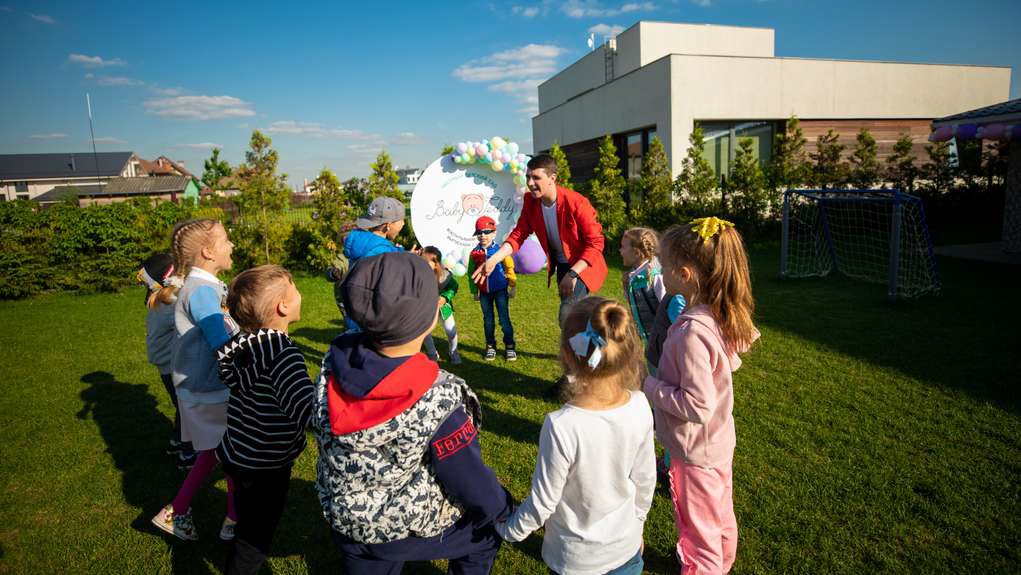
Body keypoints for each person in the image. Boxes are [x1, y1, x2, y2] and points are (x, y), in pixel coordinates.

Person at [313, 252, 515, 575]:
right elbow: (468, 479)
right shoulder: (438, 398)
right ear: (431, 316)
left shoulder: (333, 363)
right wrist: (501, 507)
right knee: (485, 535)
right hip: (402, 527)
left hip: (347, 517)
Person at [496, 296, 655, 575]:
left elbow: (542, 502)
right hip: (626, 550)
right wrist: (637, 524)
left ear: (568, 355)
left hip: (576, 560)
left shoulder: (562, 426)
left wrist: (508, 530)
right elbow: (645, 480)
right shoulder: (641, 405)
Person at [643, 217, 759, 575]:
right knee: (719, 514)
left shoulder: (692, 332)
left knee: (698, 529)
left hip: (695, 451)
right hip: (717, 444)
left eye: (664, 266)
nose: (659, 272)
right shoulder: (716, 315)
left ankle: (705, 567)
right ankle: (721, 562)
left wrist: (646, 384)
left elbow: (697, 405)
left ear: (684, 275)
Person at [217, 265, 315, 574]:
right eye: (295, 288)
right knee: (254, 541)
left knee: (247, 521)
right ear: (282, 306)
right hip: (267, 464)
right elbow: (307, 411)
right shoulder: (283, 355)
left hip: (239, 453)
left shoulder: (244, 345)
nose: (300, 294)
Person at [151, 218, 238, 542]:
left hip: (203, 387)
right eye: (226, 240)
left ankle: (184, 511)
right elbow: (220, 340)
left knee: (216, 451)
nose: (232, 245)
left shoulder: (203, 286)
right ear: (208, 251)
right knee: (230, 452)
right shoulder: (201, 291)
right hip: (209, 388)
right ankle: (229, 519)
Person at [471, 153, 606, 327]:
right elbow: (518, 234)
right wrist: (494, 259)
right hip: (562, 266)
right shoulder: (531, 201)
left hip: (582, 264)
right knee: (575, 317)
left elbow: (596, 243)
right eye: (528, 177)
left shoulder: (577, 203)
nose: (530, 183)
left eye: (536, 177)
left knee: (568, 316)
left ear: (552, 178)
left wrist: (573, 273)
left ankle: (591, 339)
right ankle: (590, 337)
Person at [137, 252, 196, 469]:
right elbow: (194, 323)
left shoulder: (159, 300)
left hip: (167, 365)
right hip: (174, 365)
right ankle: (189, 453)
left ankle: (177, 441)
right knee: (188, 408)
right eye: (180, 272)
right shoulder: (171, 305)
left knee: (181, 405)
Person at [342, 196, 406, 331]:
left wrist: (401, 252)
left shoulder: (359, 241)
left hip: (355, 310)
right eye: (401, 220)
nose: (403, 224)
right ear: (388, 225)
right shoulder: (383, 251)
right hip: (373, 318)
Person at [466, 216, 517, 362]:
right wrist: (474, 291)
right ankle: (490, 346)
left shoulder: (501, 250)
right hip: (484, 293)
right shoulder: (474, 253)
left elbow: (509, 267)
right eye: (479, 232)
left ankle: (509, 346)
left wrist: (512, 285)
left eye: (487, 232)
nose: (483, 235)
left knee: (504, 319)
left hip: (500, 291)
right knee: (488, 320)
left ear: (494, 233)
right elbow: (471, 273)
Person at [419, 246, 462, 364]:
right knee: (425, 332)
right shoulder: (418, 274)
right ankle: (432, 353)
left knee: (451, 331)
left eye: (426, 262)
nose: (423, 264)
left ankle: (454, 352)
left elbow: (454, 286)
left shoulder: (445, 275)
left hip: (444, 307)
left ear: (436, 263)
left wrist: (445, 297)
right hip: (426, 308)